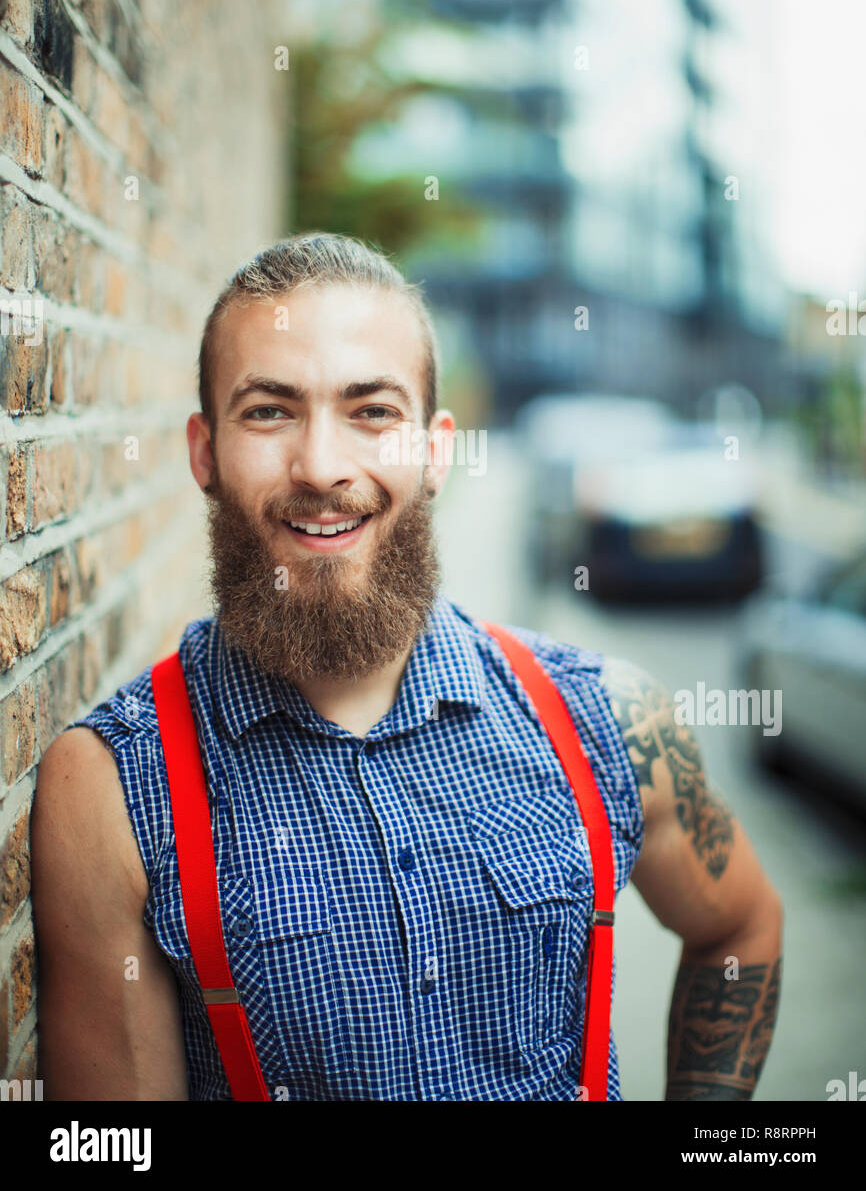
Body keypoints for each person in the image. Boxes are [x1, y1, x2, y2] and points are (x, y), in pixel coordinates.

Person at [31, 233, 783, 1101]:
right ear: (204, 451)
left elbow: (740, 927)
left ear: (436, 450)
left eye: (373, 412)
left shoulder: (607, 716)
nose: (321, 467)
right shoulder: (113, 789)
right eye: (269, 411)